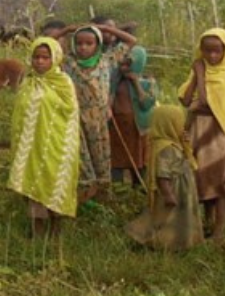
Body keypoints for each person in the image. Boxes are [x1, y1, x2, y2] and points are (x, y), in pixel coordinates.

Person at [8, 37, 80, 238]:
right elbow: (20, 117)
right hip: (31, 149)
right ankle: (37, 233)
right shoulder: (27, 83)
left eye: (45, 57)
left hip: (57, 146)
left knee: (54, 185)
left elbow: (70, 113)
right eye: (36, 57)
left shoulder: (63, 83)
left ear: (55, 59)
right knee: (33, 188)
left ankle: (56, 230)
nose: (40, 61)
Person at [58, 22, 137, 203]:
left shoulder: (106, 60)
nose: (83, 48)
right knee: (81, 160)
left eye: (89, 43)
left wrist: (107, 29)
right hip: (76, 118)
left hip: (99, 119)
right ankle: (83, 199)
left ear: (98, 45)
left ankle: (102, 200)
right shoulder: (69, 63)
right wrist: (66, 30)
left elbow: (132, 41)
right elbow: (45, 44)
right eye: (79, 43)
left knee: (101, 158)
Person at [125, 105, 205, 251]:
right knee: (168, 219)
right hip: (175, 190)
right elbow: (162, 173)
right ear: (170, 125)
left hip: (181, 189)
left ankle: (179, 241)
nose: (182, 126)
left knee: (180, 218)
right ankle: (162, 243)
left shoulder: (173, 143)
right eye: (179, 123)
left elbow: (189, 159)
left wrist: (185, 142)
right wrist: (168, 194)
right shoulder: (166, 148)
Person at [179, 28, 225, 239]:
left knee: (220, 180)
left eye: (217, 51)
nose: (212, 56)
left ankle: (219, 230)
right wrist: (198, 73)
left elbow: (205, 104)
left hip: (219, 133)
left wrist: (200, 74)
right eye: (207, 51)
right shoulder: (199, 68)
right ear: (201, 51)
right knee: (202, 177)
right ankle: (207, 223)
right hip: (199, 130)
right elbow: (187, 101)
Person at [108, 45, 157, 187]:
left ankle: (139, 188)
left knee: (138, 160)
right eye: (121, 65)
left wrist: (136, 82)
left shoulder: (148, 83)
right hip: (117, 127)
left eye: (128, 65)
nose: (124, 68)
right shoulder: (114, 81)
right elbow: (108, 99)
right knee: (116, 160)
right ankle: (118, 189)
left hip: (136, 129)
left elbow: (146, 104)